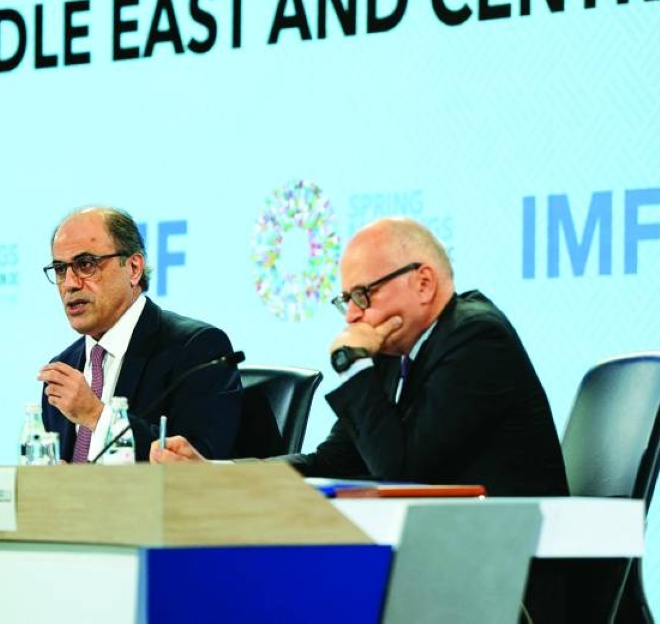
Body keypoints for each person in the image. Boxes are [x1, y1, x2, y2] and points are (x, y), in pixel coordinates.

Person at [152, 217, 568, 497]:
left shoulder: (475, 338)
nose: (352, 315)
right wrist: (218, 474)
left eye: (363, 295)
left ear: (424, 283)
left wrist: (352, 366)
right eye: (346, 299)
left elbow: (404, 476)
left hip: (516, 573)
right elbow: (334, 461)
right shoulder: (392, 349)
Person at [38, 206, 241, 462]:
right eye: (60, 269)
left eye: (86, 265)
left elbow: (198, 465)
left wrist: (97, 416)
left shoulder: (196, 349)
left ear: (134, 268)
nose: (69, 284)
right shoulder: (64, 369)